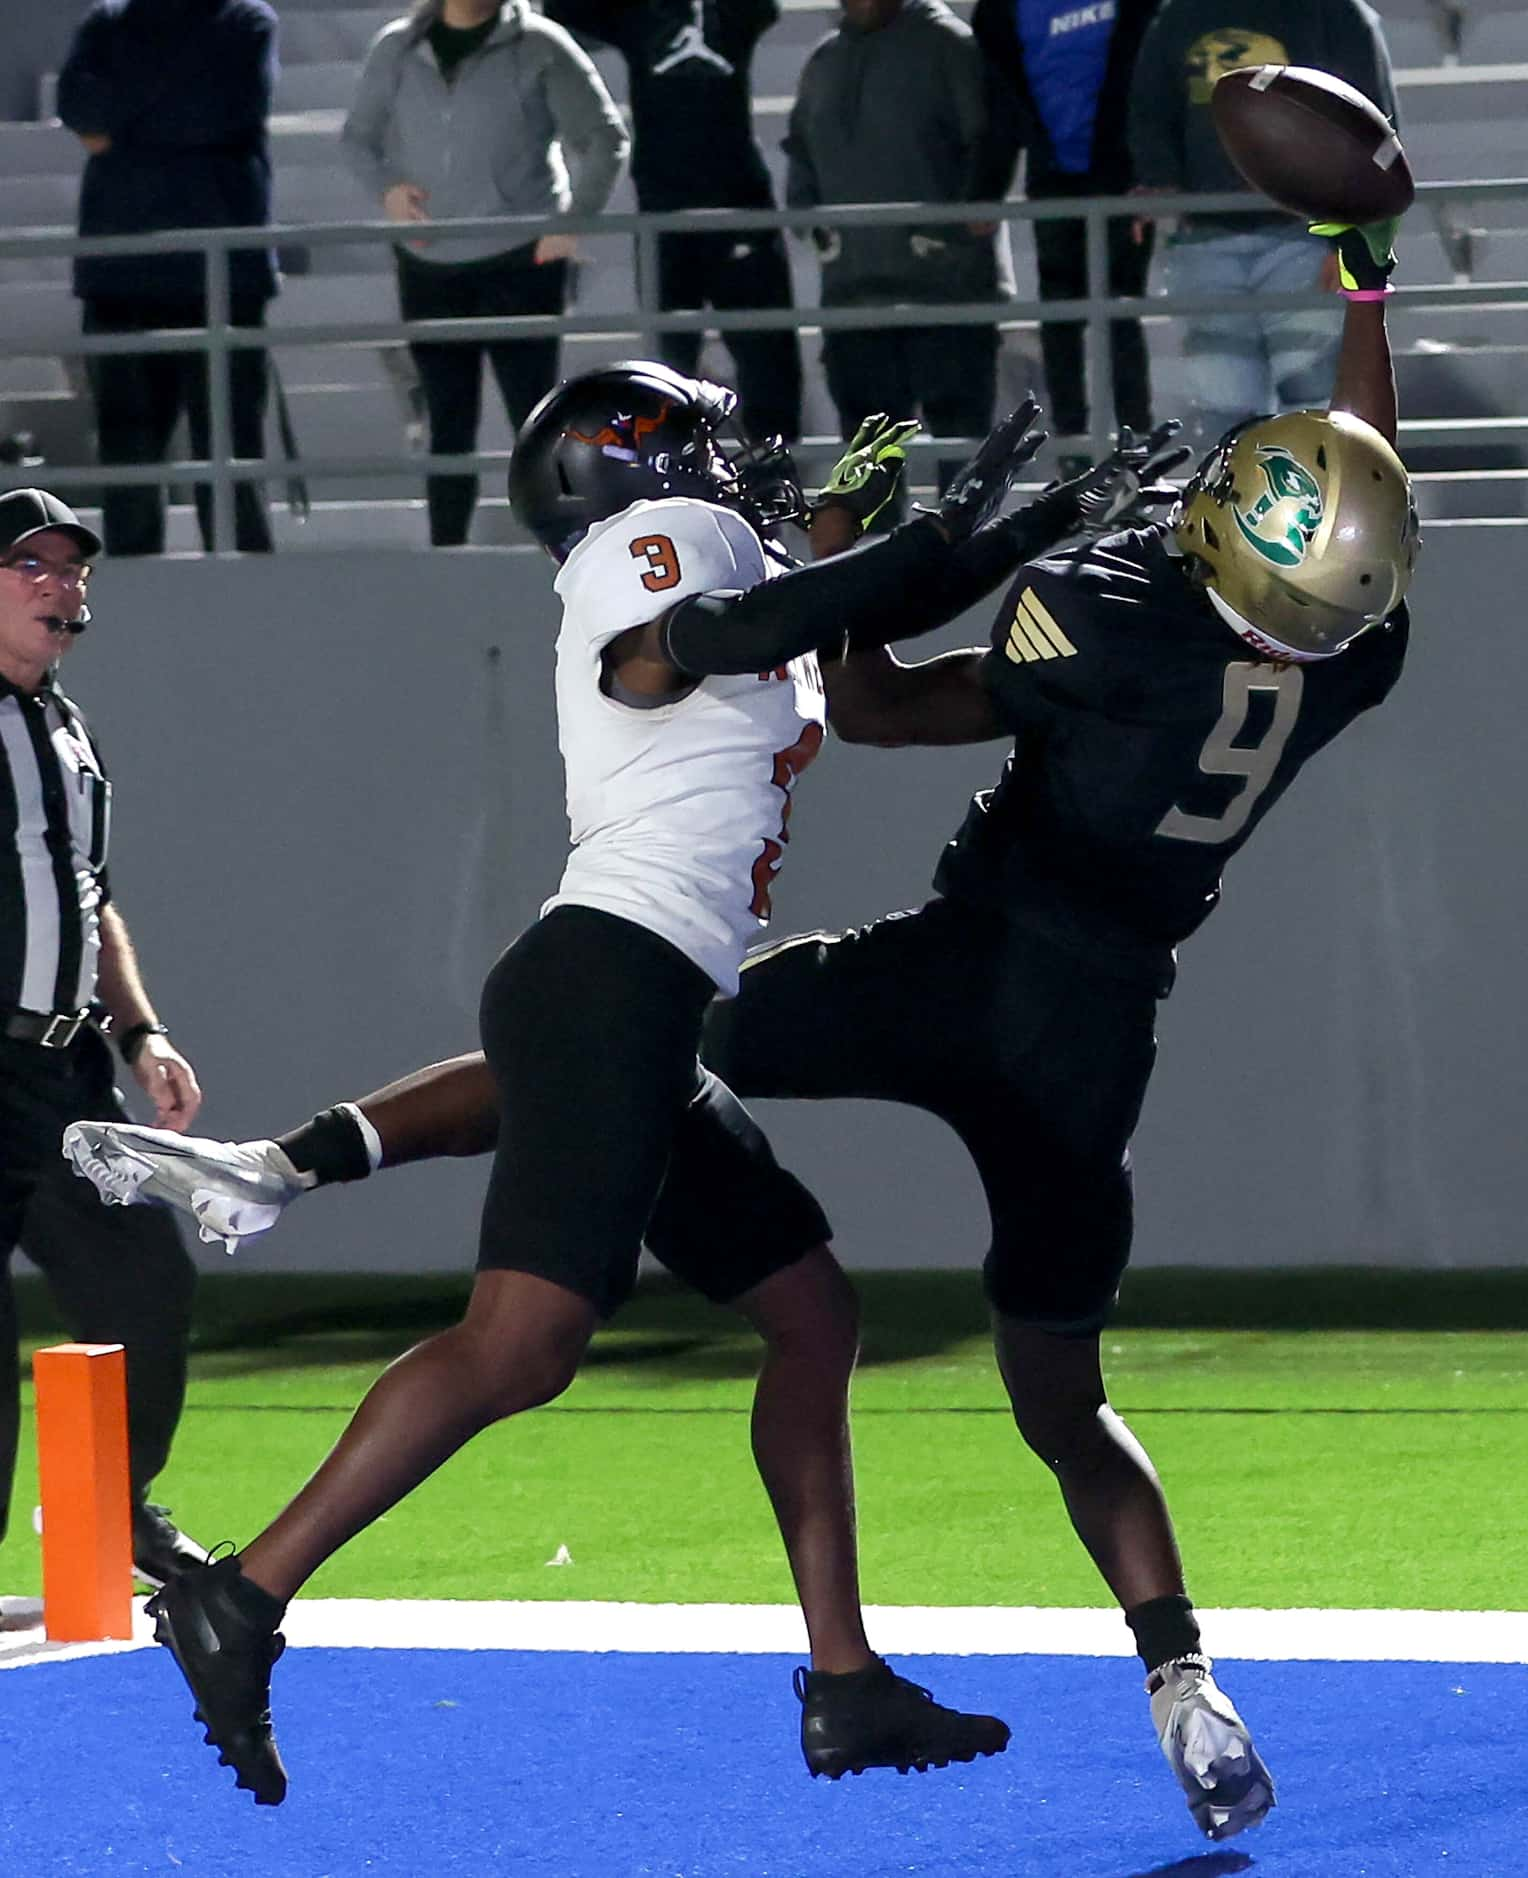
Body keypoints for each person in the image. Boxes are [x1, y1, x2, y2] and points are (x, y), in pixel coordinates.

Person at [71, 219, 1413, 1841]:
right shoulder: (667, 554)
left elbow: (826, 661)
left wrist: (888, 545)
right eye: (698, 442)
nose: (734, 459)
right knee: (533, 1340)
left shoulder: (843, 570)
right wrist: (944, 546)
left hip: (799, 971)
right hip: (768, 982)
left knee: (805, 1305)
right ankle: (251, 1571)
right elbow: (683, 647)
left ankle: (842, 1681)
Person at [0, 489, 209, 1600]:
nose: (56, 585)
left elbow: (89, 898)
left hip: (69, 1070)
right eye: (26, 565)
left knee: (147, 1291)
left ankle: (115, 1511)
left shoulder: (66, 725)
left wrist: (142, 1030)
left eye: (70, 569)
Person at [342, 0, 629, 546]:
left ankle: (564, 552)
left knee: (536, 418)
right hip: (428, 263)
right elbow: (357, 138)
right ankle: (445, 550)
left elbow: (605, 137)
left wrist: (573, 220)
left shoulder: (542, 45)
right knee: (447, 425)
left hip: (520, 260)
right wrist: (389, 190)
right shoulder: (396, 48)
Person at [58, 0, 280, 557]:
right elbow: (76, 106)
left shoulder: (246, 23)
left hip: (222, 280)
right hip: (120, 278)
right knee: (128, 468)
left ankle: (253, 612)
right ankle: (137, 620)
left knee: (232, 465)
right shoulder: (105, 22)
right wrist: (176, 96)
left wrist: (124, 123)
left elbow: (223, 112)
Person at [1127, 0, 1398, 443]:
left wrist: (1344, 238)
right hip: (1206, 241)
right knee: (1225, 423)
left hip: (1306, 236)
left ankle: (1317, 508)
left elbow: (1373, 126)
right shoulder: (1179, 16)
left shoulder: (1335, 13)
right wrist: (1157, 180)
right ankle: (1237, 511)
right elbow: (1150, 111)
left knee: (1313, 410)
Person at [544, 0, 803, 443]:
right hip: (664, 216)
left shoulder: (735, 11)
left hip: (739, 206)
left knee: (770, 369)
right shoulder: (639, 12)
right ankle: (677, 487)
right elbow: (564, 10)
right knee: (665, 381)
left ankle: (776, 495)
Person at [785, 0, 1011, 500]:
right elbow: (798, 149)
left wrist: (964, 221)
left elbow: (990, 140)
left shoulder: (949, 44)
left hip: (948, 293)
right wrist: (810, 221)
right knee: (867, 470)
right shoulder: (824, 59)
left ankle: (967, 567)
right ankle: (874, 569)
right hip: (853, 297)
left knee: (961, 462)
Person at [971, 0, 1162, 462]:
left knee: (1120, 312)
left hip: (1121, 176)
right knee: (1060, 318)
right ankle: (1073, 455)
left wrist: (1153, 173)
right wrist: (986, 191)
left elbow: (1154, 84)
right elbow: (1002, 109)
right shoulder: (1002, 14)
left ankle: (1137, 458)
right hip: (1053, 179)